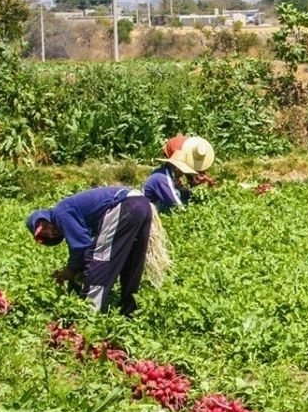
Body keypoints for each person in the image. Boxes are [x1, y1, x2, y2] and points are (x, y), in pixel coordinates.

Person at [26, 186, 166, 315]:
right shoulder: (66, 211)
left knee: (99, 259)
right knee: (131, 260)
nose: (50, 234)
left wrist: (71, 270)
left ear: (45, 219)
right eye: (46, 236)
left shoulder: (59, 214)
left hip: (124, 206)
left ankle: (89, 313)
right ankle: (129, 311)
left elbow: (81, 247)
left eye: (46, 229)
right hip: (141, 204)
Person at [143, 135, 215, 212]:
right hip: (147, 209)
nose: (183, 173)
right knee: (176, 194)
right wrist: (190, 215)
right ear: (176, 168)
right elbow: (176, 205)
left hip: (151, 204)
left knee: (182, 192)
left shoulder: (165, 172)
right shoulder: (163, 178)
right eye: (183, 170)